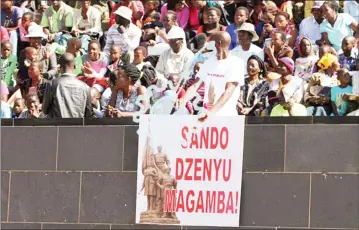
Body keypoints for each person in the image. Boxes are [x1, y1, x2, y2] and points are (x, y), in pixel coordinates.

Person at [181, 31, 244, 120]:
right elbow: (195, 85)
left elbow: (229, 91)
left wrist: (211, 112)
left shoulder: (236, 63)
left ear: (218, 43)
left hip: (226, 117)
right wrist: (182, 101)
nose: (207, 45)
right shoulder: (208, 62)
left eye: (210, 42)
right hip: (205, 116)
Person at [42, 53, 93, 118]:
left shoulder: (52, 84)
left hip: (58, 127)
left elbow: (44, 110)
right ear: (75, 66)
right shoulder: (85, 87)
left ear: (59, 67)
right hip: (78, 126)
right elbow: (88, 113)